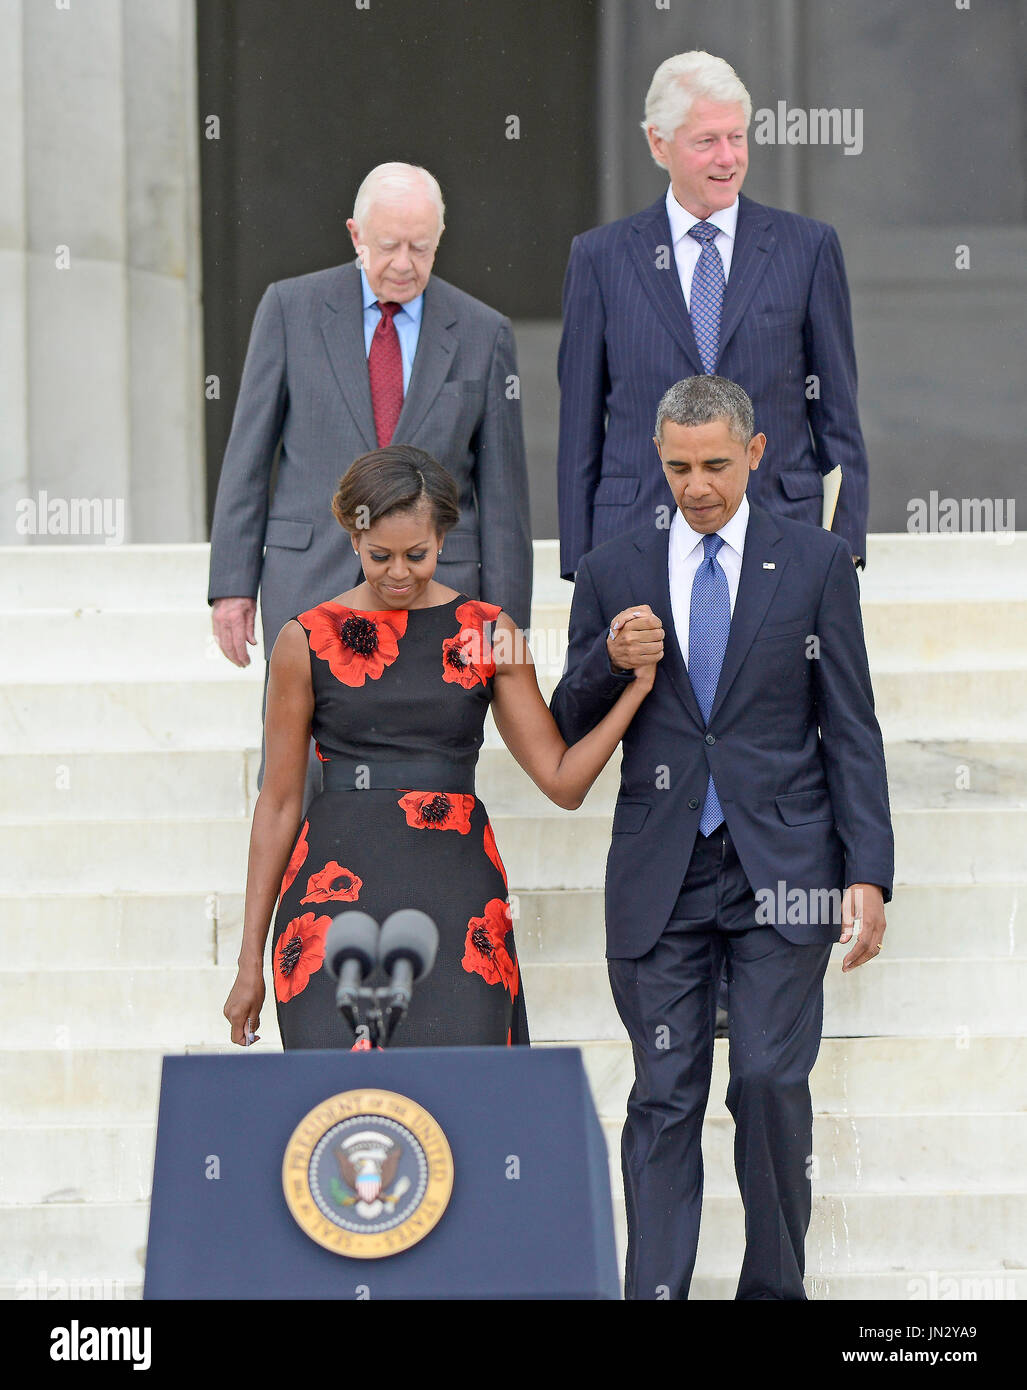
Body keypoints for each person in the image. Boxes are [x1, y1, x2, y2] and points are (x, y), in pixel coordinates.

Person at [550, 376, 893, 1300]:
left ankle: (774, 1293)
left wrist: (869, 873)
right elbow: (565, 714)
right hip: (662, 872)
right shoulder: (613, 564)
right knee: (663, 1096)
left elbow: (849, 727)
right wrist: (604, 660)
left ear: (754, 451)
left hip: (785, 871)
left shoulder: (816, 563)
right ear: (655, 462)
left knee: (771, 1083)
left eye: (711, 464)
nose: (694, 485)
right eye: (675, 467)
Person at [223, 446, 659, 1051]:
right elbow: (276, 806)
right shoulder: (303, 640)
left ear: (444, 538)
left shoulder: (490, 633)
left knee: (466, 1101)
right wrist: (248, 964)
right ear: (354, 537)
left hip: (459, 902)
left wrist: (634, 691)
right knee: (340, 1109)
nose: (398, 572)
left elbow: (563, 781)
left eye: (417, 555)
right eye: (380, 556)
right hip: (329, 903)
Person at [207, 161, 533, 793]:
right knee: (297, 771)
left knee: (425, 768)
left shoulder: (483, 332)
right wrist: (231, 583)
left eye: (422, 247)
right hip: (311, 575)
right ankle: (304, 893)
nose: (405, 263)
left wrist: (507, 621)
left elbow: (504, 495)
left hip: (439, 586)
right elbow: (249, 455)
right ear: (356, 235)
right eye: (388, 246)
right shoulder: (289, 308)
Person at [557, 50, 870, 582]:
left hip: (781, 528)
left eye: (737, 137)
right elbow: (579, 428)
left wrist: (845, 549)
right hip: (637, 533)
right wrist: (580, 563)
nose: (728, 158)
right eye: (706, 141)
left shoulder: (807, 247)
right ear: (659, 143)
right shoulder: (600, 258)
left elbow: (838, 416)